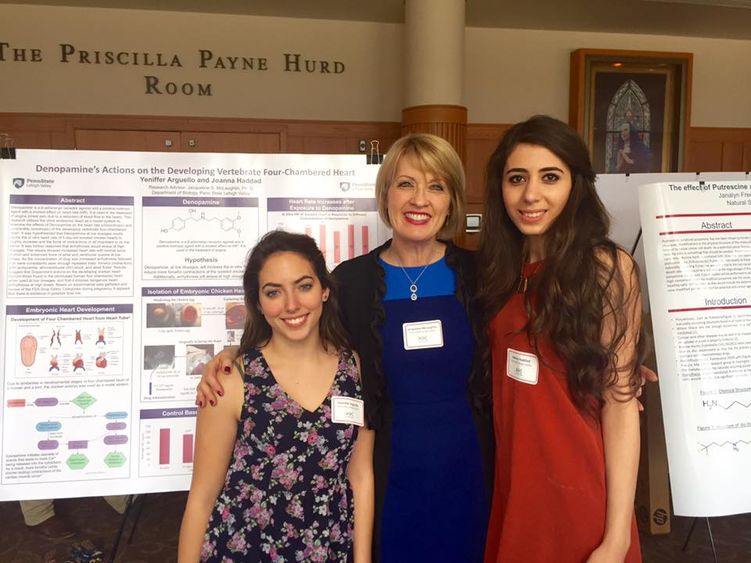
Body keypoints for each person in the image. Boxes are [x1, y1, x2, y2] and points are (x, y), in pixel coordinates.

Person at [197, 134, 492, 562]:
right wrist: (231, 357)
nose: (420, 199)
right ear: (386, 193)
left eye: (437, 186)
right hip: (384, 470)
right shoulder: (351, 282)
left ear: (452, 200)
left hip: (469, 467)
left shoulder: (481, 276)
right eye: (406, 184)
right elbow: (299, 336)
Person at [478, 115, 645, 563]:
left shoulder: (606, 268)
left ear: (576, 184)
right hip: (517, 489)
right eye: (517, 179)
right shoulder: (498, 273)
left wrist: (616, 539)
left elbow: (622, 404)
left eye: (550, 177)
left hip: (582, 494)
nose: (531, 195)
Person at [179, 231, 374, 562]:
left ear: (325, 290)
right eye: (274, 292)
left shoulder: (352, 367)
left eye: (304, 286)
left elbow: (361, 476)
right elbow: (202, 497)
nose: (292, 304)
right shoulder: (233, 379)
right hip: (246, 550)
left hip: (328, 549)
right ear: (258, 302)